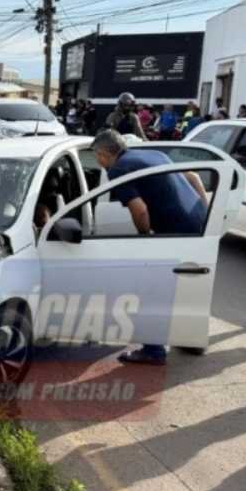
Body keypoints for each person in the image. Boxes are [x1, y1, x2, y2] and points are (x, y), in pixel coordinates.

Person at [92, 130, 209, 365]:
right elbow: (193, 177)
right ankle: (190, 340)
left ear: (104, 153)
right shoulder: (153, 154)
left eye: (97, 156)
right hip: (196, 225)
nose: (98, 162)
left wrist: (145, 238)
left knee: (150, 289)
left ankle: (153, 350)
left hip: (173, 233)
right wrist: (205, 215)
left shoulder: (118, 170)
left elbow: (140, 210)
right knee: (186, 285)